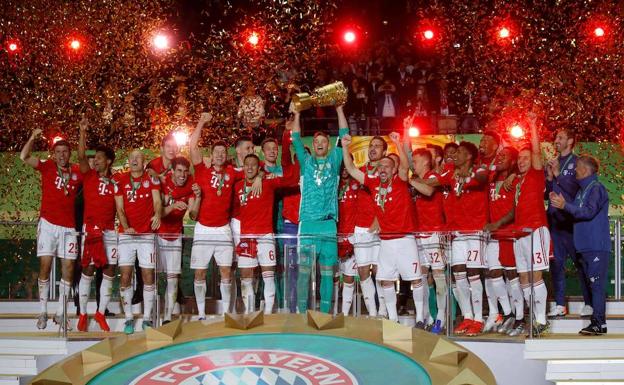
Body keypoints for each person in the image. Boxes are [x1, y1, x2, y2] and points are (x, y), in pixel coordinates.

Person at [342, 132, 424, 323]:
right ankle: (392, 318)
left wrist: (397, 142)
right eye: (381, 167)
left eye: (387, 166)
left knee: (415, 279)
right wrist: (345, 147)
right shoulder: (373, 183)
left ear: (394, 170)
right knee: (385, 279)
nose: (383, 169)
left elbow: (405, 165)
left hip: (405, 239)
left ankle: (420, 317)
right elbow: (351, 169)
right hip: (386, 241)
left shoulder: (400, 181)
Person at [487, 114, 551, 335]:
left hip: (536, 231)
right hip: (519, 234)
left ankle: (541, 320)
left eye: (526, 157)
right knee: (523, 278)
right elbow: (515, 208)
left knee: (535, 277)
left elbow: (535, 153)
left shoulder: (535, 174)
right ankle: (531, 317)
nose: (523, 161)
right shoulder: (517, 181)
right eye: (520, 158)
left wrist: (533, 125)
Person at [20, 130, 83, 330]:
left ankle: (61, 312)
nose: (62, 155)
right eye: (58, 152)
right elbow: (24, 157)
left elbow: (90, 168)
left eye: (65, 151)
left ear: (69, 154)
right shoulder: (47, 167)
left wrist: (82, 133)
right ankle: (43, 311)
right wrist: (31, 138)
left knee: (69, 270)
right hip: (48, 225)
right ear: (53, 154)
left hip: (68, 227)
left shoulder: (77, 172)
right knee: (45, 267)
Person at [289, 105, 348, 313]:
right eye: (317, 141)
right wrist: (297, 114)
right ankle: (301, 312)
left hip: (329, 226)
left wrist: (339, 110)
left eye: (324, 141)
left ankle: (324, 314)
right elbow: (296, 138)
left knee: (326, 273)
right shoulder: (306, 162)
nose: (320, 144)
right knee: (304, 273)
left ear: (329, 145)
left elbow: (344, 135)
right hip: (307, 225)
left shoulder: (335, 160)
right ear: (312, 145)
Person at [431, 141, 489, 336]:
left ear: (469, 157)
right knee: (458, 274)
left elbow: (482, 178)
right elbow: (432, 183)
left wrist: (469, 174)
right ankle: (467, 317)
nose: (455, 155)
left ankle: (479, 319)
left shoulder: (479, 169)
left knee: (473, 274)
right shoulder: (451, 174)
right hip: (457, 233)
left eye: (460, 152)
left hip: (475, 231)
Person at [549, 155, 610, 335]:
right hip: (584, 246)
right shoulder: (581, 191)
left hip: (596, 245)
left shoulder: (596, 188)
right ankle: (597, 322)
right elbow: (575, 213)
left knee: (596, 284)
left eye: (577, 167)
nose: (574, 170)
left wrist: (565, 205)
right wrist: (560, 205)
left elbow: (588, 212)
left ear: (585, 169)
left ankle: (599, 323)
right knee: (592, 284)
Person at [234, 154, 296, 314]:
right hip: (246, 238)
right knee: (246, 279)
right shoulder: (238, 186)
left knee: (268, 276)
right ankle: (248, 313)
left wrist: (263, 176)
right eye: (246, 164)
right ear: (243, 167)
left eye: (253, 165)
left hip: (265, 236)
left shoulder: (268, 183)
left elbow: (292, 178)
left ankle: (268, 314)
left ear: (258, 167)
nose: (249, 168)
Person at [188, 113, 236, 319]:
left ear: (226, 155)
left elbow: (253, 169)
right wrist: (201, 122)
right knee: (200, 272)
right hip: (203, 228)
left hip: (223, 229)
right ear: (211, 154)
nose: (219, 155)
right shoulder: (201, 170)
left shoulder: (233, 172)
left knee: (226, 272)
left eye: (222, 152)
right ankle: (200, 313)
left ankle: (226, 313)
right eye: (216, 152)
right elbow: (192, 147)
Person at [76, 118, 117, 332]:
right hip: (91, 230)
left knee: (110, 270)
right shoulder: (89, 176)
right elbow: (82, 155)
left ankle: (101, 313)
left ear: (108, 161)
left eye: (99, 158)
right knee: (88, 269)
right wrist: (82, 131)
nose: (95, 161)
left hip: (110, 231)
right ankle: (83, 314)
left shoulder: (116, 181)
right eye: (95, 158)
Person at [114, 149, 162, 334]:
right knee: (125, 276)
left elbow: (157, 201)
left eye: (138, 158)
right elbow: (120, 208)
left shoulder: (152, 179)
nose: (134, 160)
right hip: (126, 236)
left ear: (144, 162)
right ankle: (128, 318)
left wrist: (157, 214)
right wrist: (126, 227)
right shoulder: (120, 180)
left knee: (148, 276)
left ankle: (147, 318)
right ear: (128, 161)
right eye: (131, 157)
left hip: (146, 235)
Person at [546, 128, 590, 317]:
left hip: (572, 222)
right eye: (556, 137)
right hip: (555, 221)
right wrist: (549, 179)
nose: (556, 140)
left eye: (561, 137)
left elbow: (574, 190)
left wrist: (558, 175)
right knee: (556, 264)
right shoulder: (554, 162)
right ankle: (559, 304)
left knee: (580, 263)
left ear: (570, 141)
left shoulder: (578, 163)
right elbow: (546, 192)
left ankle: (589, 302)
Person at [483, 147, 521, 335]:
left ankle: (518, 314)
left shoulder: (515, 180)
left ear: (513, 162)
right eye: (498, 155)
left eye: (504, 157)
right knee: (493, 274)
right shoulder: (491, 178)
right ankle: (506, 313)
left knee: (512, 275)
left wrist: (497, 223)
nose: (499, 159)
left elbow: (515, 209)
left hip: (508, 232)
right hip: (493, 234)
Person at [158, 156, 200, 324]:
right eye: (179, 171)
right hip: (156, 235)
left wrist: (198, 197)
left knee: (173, 277)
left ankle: (167, 317)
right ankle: (150, 316)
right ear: (172, 171)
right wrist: (172, 206)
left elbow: (193, 214)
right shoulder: (162, 182)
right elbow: (157, 212)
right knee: (152, 277)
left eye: (185, 171)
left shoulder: (191, 184)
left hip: (175, 235)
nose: (182, 175)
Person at [411, 148, 447, 333]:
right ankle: (424, 316)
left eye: (415, 161)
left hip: (435, 233)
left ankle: (441, 317)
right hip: (419, 234)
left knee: (439, 276)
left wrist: (410, 180)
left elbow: (428, 191)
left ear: (425, 162)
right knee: (421, 276)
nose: (412, 164)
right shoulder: (416, 178)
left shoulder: (434, 176)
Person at [351, 136, 387, 317]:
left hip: (379, 227)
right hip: (360, 228)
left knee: (380, 270)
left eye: (377, 146)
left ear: (384, 152)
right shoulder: (361, 171)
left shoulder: (386, 171)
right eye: (371, 146)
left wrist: (379, 218)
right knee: (363, 271)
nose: (372, 149)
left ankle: (383, 310)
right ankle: (372, 312)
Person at [337, 162, 359, 315]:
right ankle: (332, 312)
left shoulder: (357, 185)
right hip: (334, 236)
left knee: (349, 277)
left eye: (347, 166)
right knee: (333, 278)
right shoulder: (334, 185)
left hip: (352, 237)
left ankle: (344, 314)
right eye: (341, 167)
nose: (344, 170)